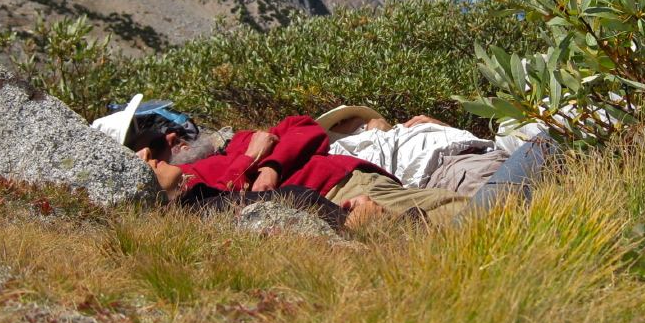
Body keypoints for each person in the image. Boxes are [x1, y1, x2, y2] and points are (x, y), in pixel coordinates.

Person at [128, 114, 502, 229]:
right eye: (157, 147)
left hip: (358, 175)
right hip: (337, 194)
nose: (173, 141)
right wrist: (253, 160)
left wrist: (272, 163)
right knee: (473, 214)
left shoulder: (236, 141)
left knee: (462, 205)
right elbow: (235, 202)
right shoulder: (190, 186)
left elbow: (304, 126)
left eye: (166, 136)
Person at [314, 105, 510, 195]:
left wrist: (443, 127)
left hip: (491, 152)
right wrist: (374, 135)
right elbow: (379, 176)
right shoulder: (341, 151)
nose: (345, 120)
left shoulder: (401, 129)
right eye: (339, 122)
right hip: (454, 171)